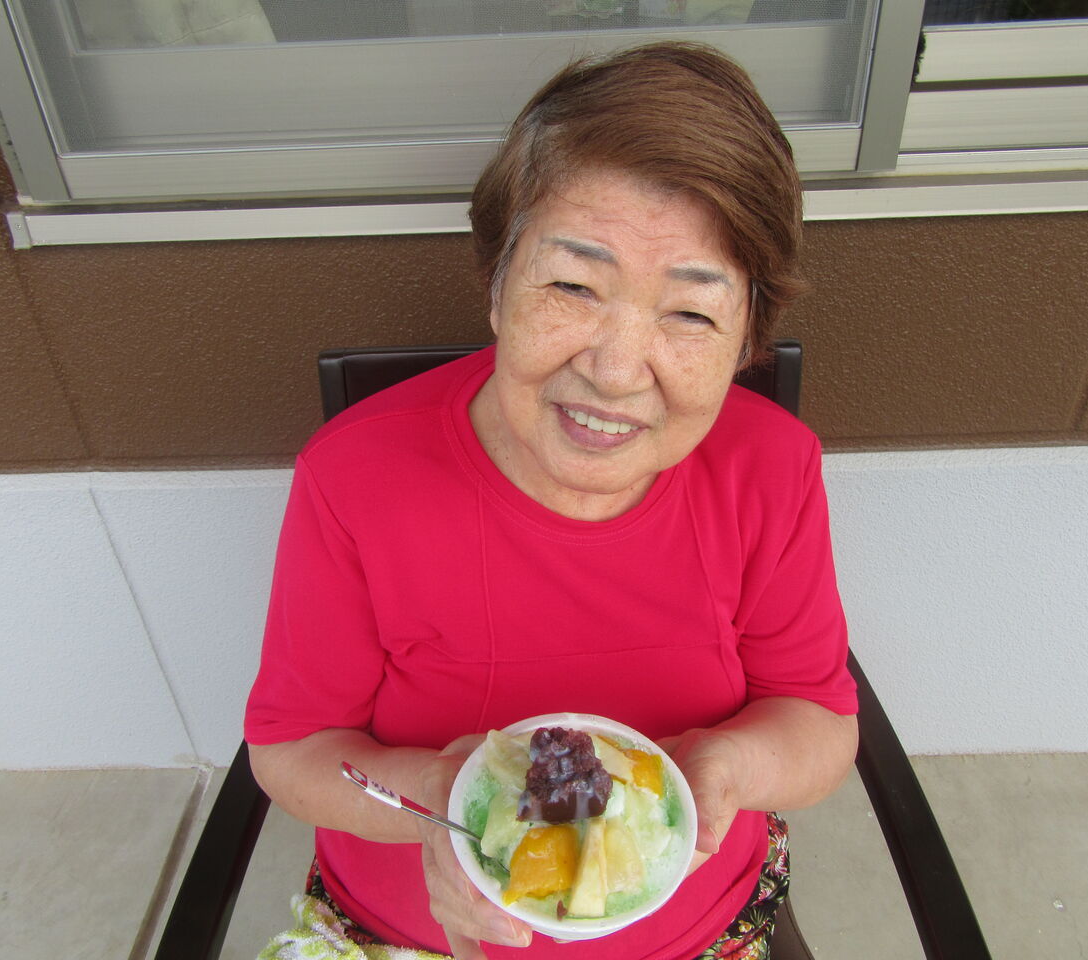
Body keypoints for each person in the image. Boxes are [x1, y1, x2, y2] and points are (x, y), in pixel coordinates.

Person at [245, 41, 858, 960]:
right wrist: (436, 797)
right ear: (496, 285)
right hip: (400, 937)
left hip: (698, 936)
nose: (616, 371)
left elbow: (818, 721)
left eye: (691, 314)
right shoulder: (353, 478)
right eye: (573, 286)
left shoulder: (772, 469)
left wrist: (729, 767)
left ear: (745, 344)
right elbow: (292, 749)